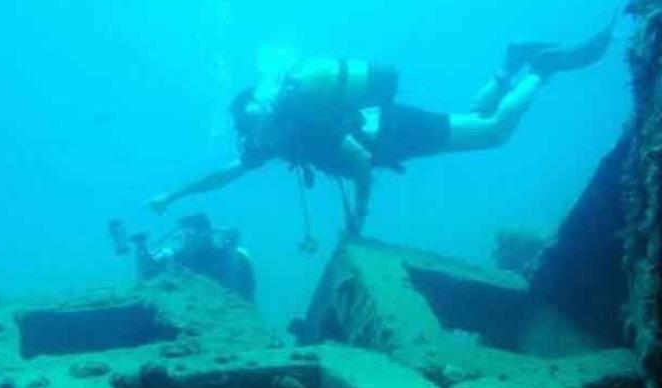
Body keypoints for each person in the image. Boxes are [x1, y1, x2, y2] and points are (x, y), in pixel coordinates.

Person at [147, 13, 618, 235]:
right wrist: (173, 196)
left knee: (493, 131)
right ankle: (511, 63)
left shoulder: (298, 124)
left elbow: (357, 159)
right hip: (389, 129)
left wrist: (360, 218)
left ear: (259, 113)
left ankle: (539, 69)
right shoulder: (274, 135)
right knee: (476, 120)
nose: (252, 139)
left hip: (393, 132)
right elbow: (224, 174)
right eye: (249, 132)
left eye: (251, 127)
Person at [112, 215, 256, 301]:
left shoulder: (233, 256)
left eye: (193, 232)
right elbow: (145, 282)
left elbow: (244, 290)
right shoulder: (171, 257)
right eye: (186, 233)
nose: (188, 237)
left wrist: (230, 250)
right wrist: (141, 250)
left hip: (228, 315)